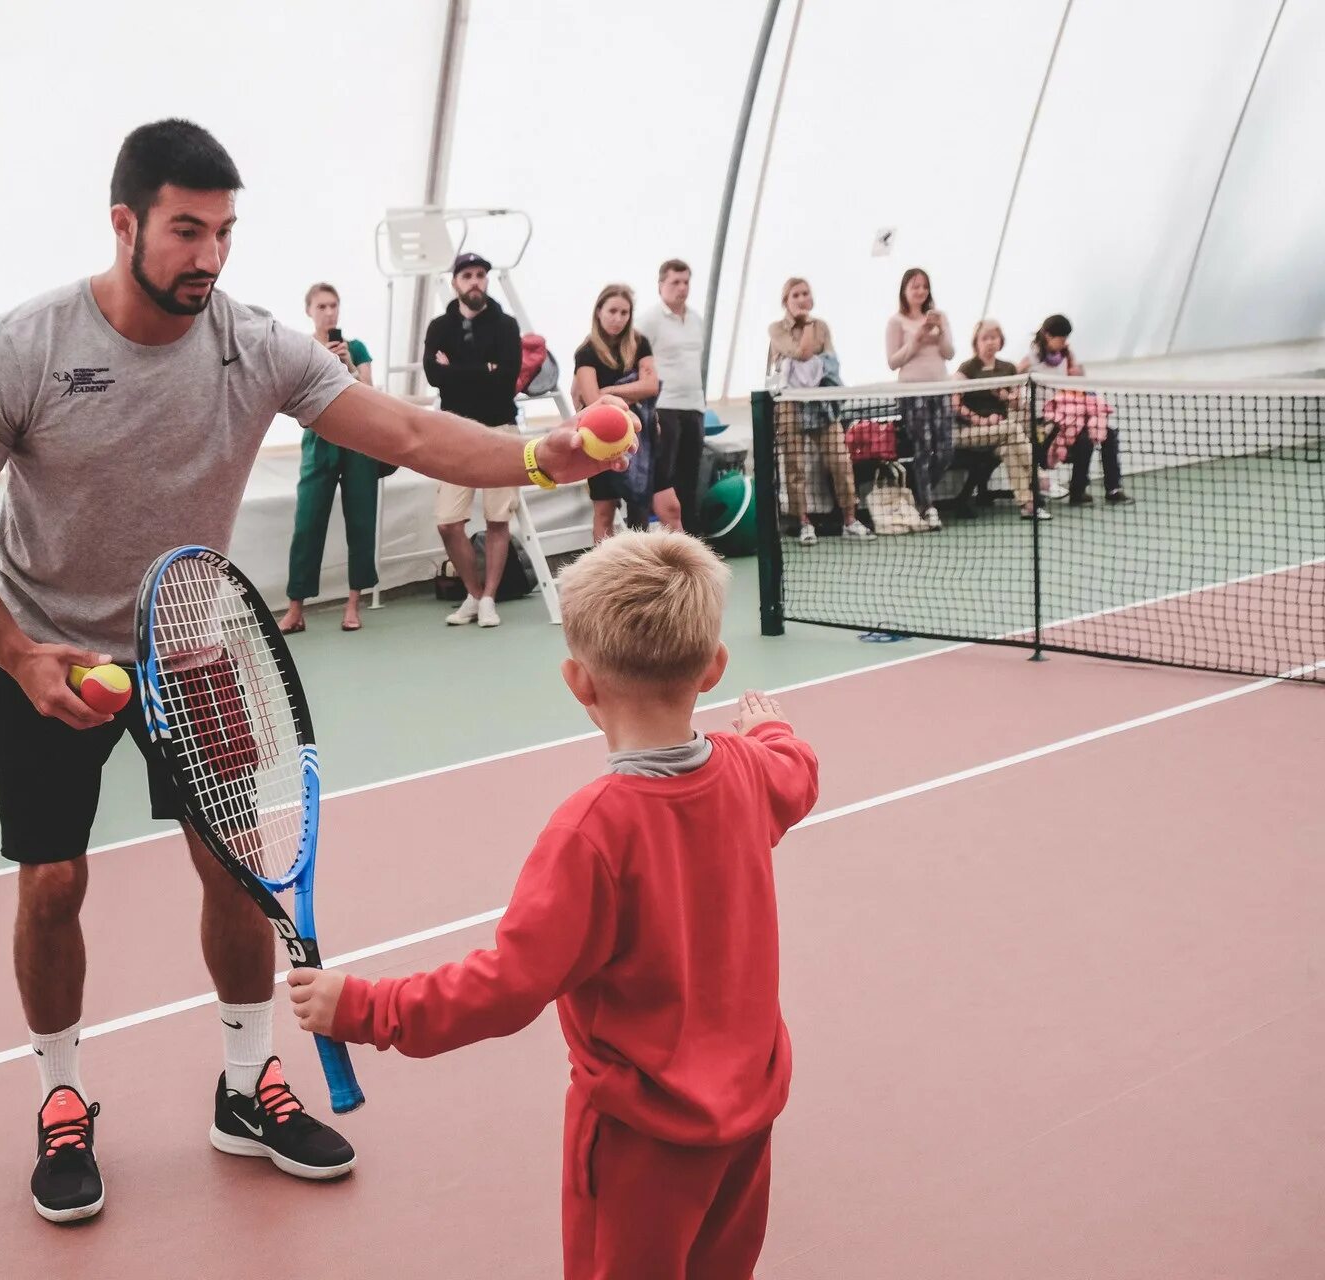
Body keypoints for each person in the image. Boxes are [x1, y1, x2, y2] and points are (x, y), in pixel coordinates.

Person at [0, 119, 629, 1227]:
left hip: (193, 645)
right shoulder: (30, 348)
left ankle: (244, 1086)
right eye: (186, 230)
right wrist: (12, 647)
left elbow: (410, 433)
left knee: (239, 874)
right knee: (53, 883)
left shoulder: (257, 346)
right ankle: (61, 1092)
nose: (209, 254)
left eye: (225, 232)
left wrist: (540, 453)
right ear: (125, 222)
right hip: (50, 648)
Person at [288, 531, 819, 1279]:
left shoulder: (591, 833)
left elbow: (507, 987)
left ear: (579, 682)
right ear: (714, 670)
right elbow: (796, 772)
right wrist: (770, 729)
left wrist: (367, 1008)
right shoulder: (750, 773)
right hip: (748, 1123)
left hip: (641, 1140)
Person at [425, 252, 524, 627]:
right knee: (449, 521)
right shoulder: (439, 327)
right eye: (467, 275)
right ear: (455, 282)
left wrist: (459, 370)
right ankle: (473, 592)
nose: (475, 281)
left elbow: (507, 378)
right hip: (454, 432)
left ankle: (489, 600)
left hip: (501, 429)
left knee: (499, 518)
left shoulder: (506, 326)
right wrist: (483, 369)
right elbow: (434, 376)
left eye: (481, 274)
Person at [281, 283, 379, 634]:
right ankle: (296, 609)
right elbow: (290, 396)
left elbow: (369, 394)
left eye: (333, 305)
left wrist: (348, 364)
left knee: (361, 520)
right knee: (307, 524)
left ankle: (354, 604)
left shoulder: (356, 347)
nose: (329, 312)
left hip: (358, 444)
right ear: (309, 310)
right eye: (321, 306)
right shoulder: (302, 348)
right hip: (319, 440)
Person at [766, 277, 873, 545]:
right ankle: (803, 523)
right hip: (789, 403)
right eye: (796, 295)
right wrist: (808, 330)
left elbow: (828, 361)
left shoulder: (822, 326)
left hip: (821, 401)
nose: (802, 299)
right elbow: (802, 353)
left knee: (840, 460)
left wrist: (811, 328)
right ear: (786, 302)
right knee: (794, 466)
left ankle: (850, 519)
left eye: (806, 294)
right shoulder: (776, 329)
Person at [571, 284, 658, 543]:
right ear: (598, 312)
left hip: (639, 437)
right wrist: (629, 392)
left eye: (624, 313)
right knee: (604, 510)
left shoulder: (640, 343)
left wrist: (611, 390)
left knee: (640, 508)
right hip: (601, 439)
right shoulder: (585, 352)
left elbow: (651, 386)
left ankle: (641, 572)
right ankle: (605, 576)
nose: (618, 319)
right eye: (612, 311)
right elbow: (594, 402)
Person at [1019, 314, 1129, 505]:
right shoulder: (1031, 359)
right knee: (1084, 441)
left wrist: (1077, 370)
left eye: (1066, 339)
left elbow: (1078, 382)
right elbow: (1014, 378)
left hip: (1070, 416)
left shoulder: (1066, 356)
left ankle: (1113, 488)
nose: (1063, 343)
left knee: (1109, 434)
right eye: (1060, 338)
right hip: (1045, 422)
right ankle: (1077, 492)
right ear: (1047, 335)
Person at [640, 259, 710, 532]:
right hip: (664, 407)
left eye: (686, 282)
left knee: (690, 477)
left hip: (694, 406)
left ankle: (692, 541)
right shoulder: (648, 321)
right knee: (664, 477)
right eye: (675, 282)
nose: (682, 288)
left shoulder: (696, 320)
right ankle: (666, 541)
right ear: (661, 286)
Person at [885, 267, 956, 529]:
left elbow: (949, 353)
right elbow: (893, 361)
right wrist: (916, 339)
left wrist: (942, 329)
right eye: (915, 286)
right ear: (905, 290)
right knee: (923, 447)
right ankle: (928, 505)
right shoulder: (896, 322)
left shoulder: (940, 318)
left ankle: (917, 492)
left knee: (946, 450)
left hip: (940, 390)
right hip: (912, 393)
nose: (920, 291)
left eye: (924, 286)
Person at [953, 319, 1045, 520]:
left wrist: (1005, 397)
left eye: (993, 337)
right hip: (968, 433)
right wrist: (981, 420)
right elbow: (955, 404)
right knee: (1011, 428)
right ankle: (1040, 477)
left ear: (1000, 341)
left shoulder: (1008, 368)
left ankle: (1027, 505)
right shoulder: (967, 368)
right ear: (976, 342)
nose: (989, 342)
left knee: (1010, 448)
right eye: (984, 338)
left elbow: (1017, 404)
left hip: (1001, 433)